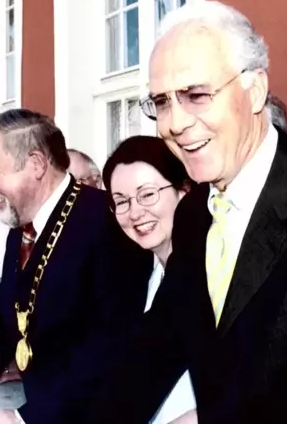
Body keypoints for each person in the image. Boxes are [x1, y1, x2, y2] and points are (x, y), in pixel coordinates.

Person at [90, 0, 287, 423]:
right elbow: (153, 351)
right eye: (162, 102)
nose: (174, 123)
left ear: (254, 90)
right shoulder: (193, 214)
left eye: (196, 95)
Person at [0, 109, 148, 424]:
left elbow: (109, 348)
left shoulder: (108, 223)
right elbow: (5, 319)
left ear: (35, 164)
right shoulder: (22, 227)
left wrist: (26, 417)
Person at [101, 135, 198, 424]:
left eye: (147, 195)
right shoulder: (133, 275)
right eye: (121, 201)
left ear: (184, 191)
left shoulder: (213, 276)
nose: (134, 213)